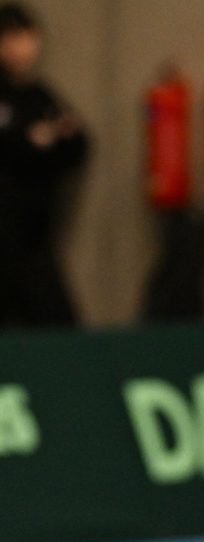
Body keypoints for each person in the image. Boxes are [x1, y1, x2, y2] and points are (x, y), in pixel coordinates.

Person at [0, 2, 87, 329]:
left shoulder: (40, 95)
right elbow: (17, 147)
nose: (21, 47)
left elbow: (78, 142)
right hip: (6, 242)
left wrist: (46, 141)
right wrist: (28, 141)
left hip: (37, 239)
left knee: (58, 324)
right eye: (10, 38)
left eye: (26, 37)